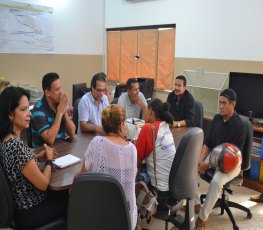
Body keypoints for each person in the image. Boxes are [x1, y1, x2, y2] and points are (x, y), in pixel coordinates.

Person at [0, 87, 68, 229]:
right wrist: (49, 160)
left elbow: (18, 166)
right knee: (73, 195)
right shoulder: (17, 146)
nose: (29, 113)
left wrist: (37, 157)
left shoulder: (5, 141)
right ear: (10, 114)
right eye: (23, 109)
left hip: (21, 211)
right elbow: (43, 184)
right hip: (32, 211)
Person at [79, 104, 137, 230]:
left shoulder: (97, 142)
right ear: (121, 124)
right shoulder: (132, 149)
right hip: (126, 220)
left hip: (101, 217)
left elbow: (82, 179)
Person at [196, 89, 246, 230]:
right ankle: (196, 204)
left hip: (232, 163)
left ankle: (202, 217)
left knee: (217, 181)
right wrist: (200, 161)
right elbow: (208, 143)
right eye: (220, 102)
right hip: (216, 157)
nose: (221, 106)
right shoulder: (217, 119)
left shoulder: (240, 126)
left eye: (224, 103)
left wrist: (208, 164)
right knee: (192, 167)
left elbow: (232, 157)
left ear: (233, 104)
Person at [136, 98, 177, 211]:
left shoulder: (148, 128)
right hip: (174, 191)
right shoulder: (165, 126)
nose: (144, 113)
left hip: (160, 195)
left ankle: (134, 218)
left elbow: (136, 162)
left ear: (151, 112)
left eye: (146, 110)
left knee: (135, 175)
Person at [31, 72, 75, 147]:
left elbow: (72, 133)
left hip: (61, 149)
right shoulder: (38, 110)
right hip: (43, 153)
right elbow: (50, 140)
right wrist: (60, 113)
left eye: (60, 88)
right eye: (57, 89)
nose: (61, 92)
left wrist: (64, 112)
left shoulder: (59, 104)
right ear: (47, 92)